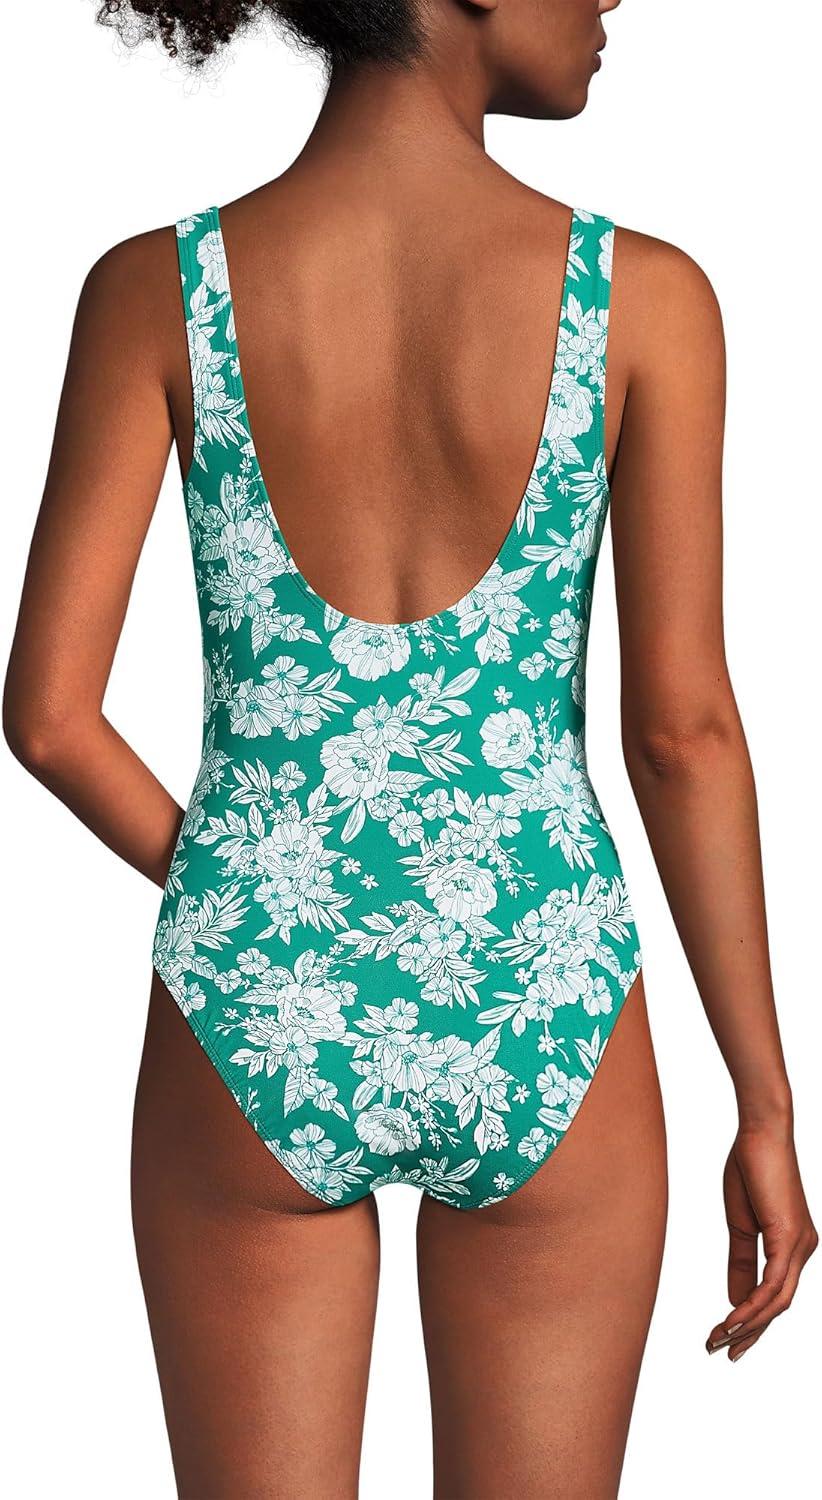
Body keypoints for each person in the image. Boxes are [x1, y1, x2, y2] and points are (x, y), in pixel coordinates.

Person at [4, 1, 816, 1495]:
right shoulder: (643, 301)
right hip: (543, 997)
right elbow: (682, 734)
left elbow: (49, 716)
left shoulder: (155, 290)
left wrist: (256, 894)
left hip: (253, 1005)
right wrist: (763, 1101)